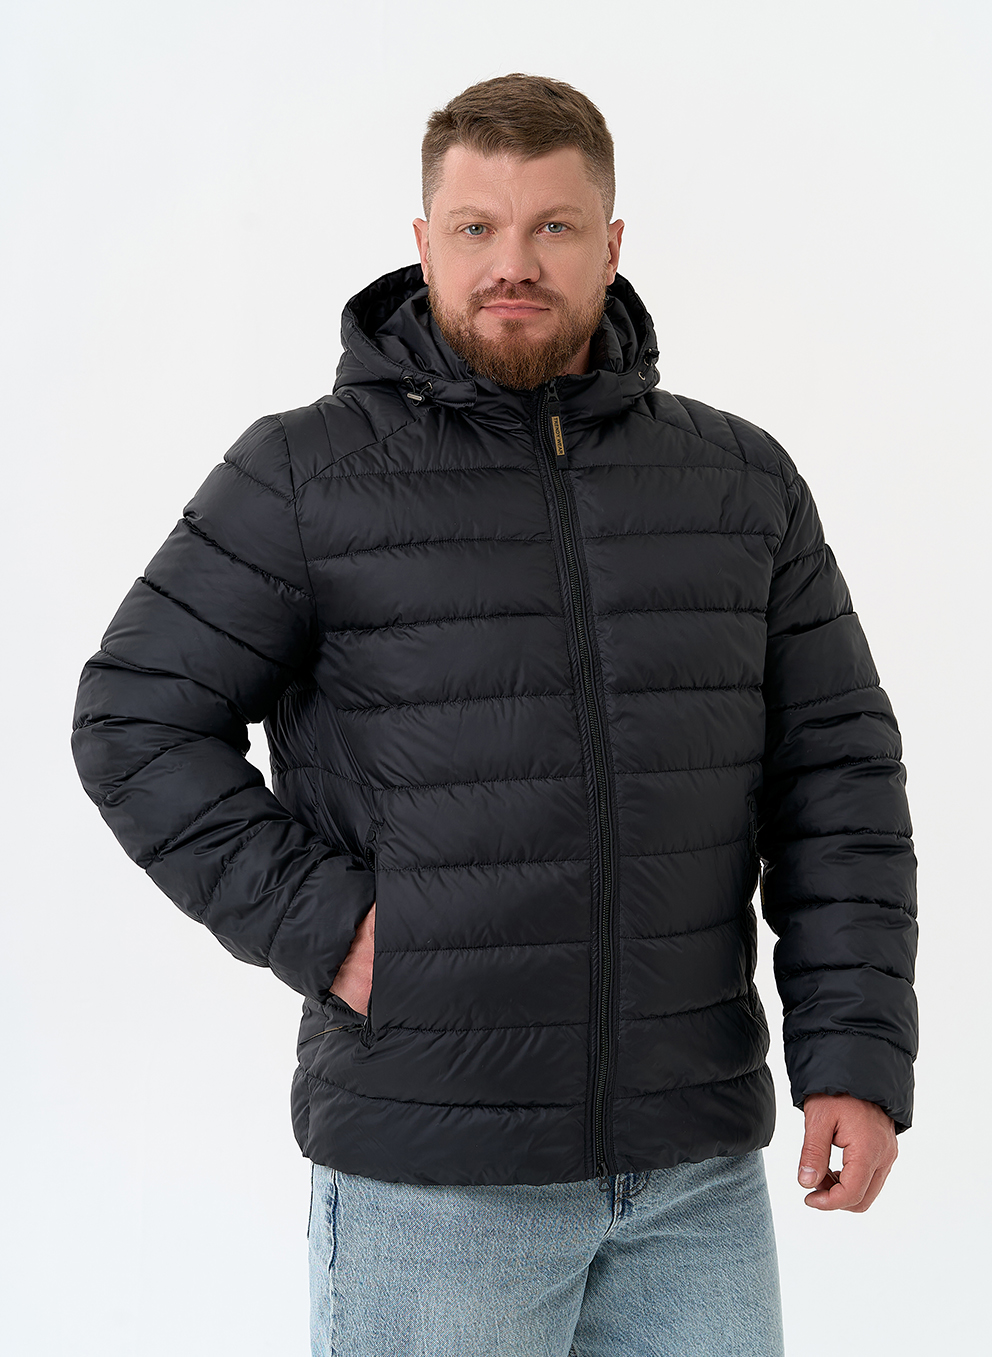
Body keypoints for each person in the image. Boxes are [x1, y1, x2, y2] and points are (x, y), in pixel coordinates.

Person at [71, 73, 919, 1357]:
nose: (510, 263)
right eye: (475, 227)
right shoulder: (305, 473)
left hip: (692, 1172)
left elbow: (836, 778)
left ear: (610, 244)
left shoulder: (736, 480)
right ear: (423, 243)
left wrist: (851, 1052)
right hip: (434, 1173)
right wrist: (329, 925)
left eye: (552, 227)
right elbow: (133, 718)